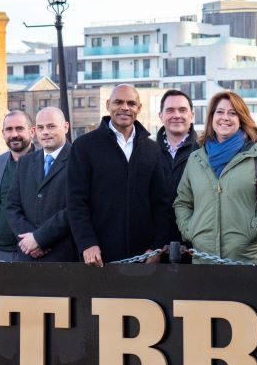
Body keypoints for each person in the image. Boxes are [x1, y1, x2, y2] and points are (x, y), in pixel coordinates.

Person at [66, 84, 175, 267]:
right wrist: (87, 243)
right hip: (97, 257)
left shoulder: (152, 150)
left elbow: (161, 204)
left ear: (139, 108)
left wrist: (156, 246)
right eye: (118, 102)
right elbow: (75, 201)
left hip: (143, 258)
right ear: (108, 105)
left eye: (131, 103)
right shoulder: (84, 146)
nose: (125, 107)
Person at [174, 91, 257, 265]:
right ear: (211, 117)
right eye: (220, 112)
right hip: (205, 260)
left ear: (241, 119)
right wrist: (190, 230)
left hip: (250, 259)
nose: (225, 118)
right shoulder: (196, 159)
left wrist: (255, 228)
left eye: (232, 113)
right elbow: (183, 202)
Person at [5, 106, 77, 262]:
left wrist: (40, 238)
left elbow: (76, 207)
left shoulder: (79, 160)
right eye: (40, 127)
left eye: (51, 126)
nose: (45, 132)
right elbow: (12, 207)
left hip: (63, 257)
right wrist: (30, 241)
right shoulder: (25, 162)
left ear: (65, 127)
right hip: (28, 256)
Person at [0, 110, 35, 261]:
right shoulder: (0, 161)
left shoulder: (43, 161)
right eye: (9, 129)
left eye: (19, 129)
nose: (14, 134)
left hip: (31, 251)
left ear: (32, 131)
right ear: (3, 133)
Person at [156, 89, 198, 198]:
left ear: (192, 115)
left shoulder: (205, 149)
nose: (177, 115)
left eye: (182, 110)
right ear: (161, 116)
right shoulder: (148, 151)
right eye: (170, 110)